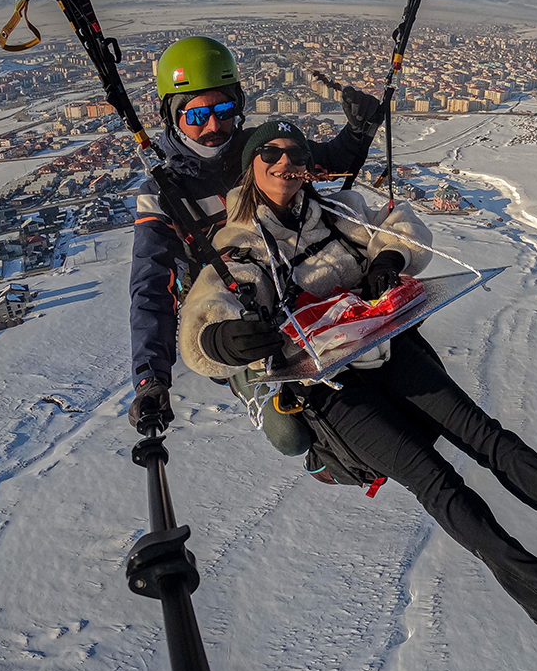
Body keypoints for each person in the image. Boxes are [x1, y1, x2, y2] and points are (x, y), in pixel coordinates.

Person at [175, 117, 537, 631]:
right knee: (435, 480)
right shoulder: (238, 246)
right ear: (251, 167)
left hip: (386, 348)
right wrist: (220, 339)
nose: (285, 164)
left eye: (296, 155)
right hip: (330, 388)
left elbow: (403, 224)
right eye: (270, 154)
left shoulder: (338, 212)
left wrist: (390, 255)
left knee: (488, 438)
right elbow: (206, 317)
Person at [127, 36, 384, 431]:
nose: (213, 126)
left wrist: (357, 131)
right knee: (292, 434)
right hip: (237, 321)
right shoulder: (164, 194)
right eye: (196, 116)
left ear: (239, 105)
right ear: (172, 118)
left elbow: (321, 164)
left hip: (299, 286)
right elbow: (151, 284)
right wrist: (151, 378)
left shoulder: (256, 149)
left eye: (224, 109)